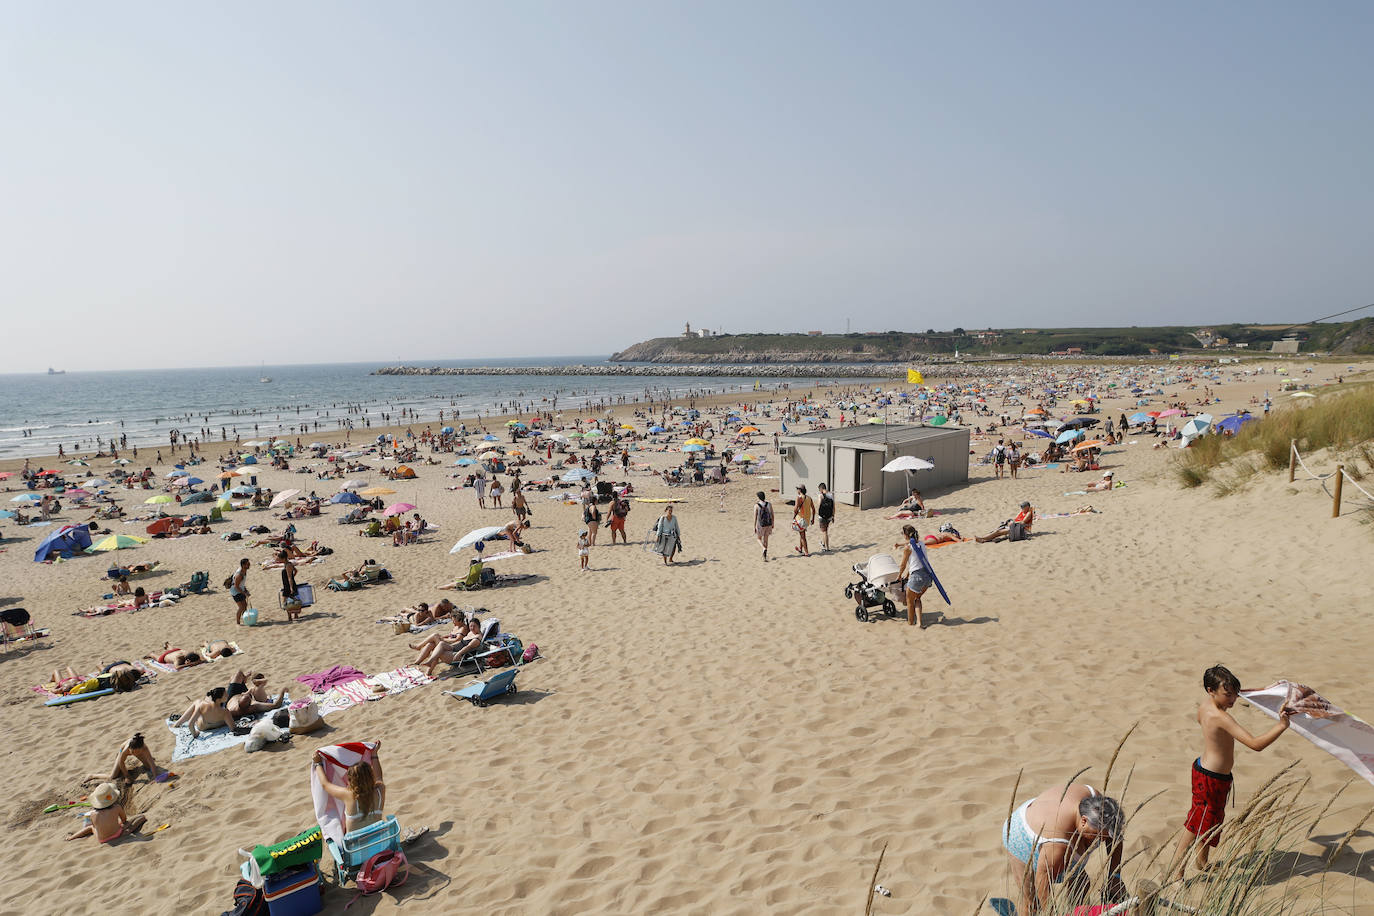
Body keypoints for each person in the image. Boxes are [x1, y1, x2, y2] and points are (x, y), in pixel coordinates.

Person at [1172, 665, 1291, 877]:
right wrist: (1281, 726)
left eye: (1235, 693)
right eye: (1228, 694)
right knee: (1195, 824)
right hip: (1211, 777)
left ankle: (1202, 862)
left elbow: (1230, 696)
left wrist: (1256, 691)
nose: (1233, 699)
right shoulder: (1221, 717)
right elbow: (1255, 744)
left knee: (1209, 822)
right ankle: (1177, 871)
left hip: (1205, 770)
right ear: (1211, 690)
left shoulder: (1205, 706)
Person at [1002, 783, 1126, 915]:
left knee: (1081, 885)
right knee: (1032, 904)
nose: (1101, 840)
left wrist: (1115, 876)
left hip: (1046, 813)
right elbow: (1042, 881)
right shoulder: (1058, 845)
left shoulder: (1100, 805)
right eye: (1097, 835)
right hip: (1021, 834)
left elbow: (1115, 837)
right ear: (1083, 821)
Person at [313, 749, 386, 834]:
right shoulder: (380, 790)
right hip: (378, 841)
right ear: (371, 775)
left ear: (351, 780)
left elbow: (325, 785)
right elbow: (379, 777)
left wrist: (318, 763)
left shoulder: (349, 795)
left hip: (355, 845)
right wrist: (374, 754)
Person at [66, 782, 147, 843]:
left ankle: (72, 837)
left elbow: (96, 826)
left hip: (101, 839)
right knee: (141, 817)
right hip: (117, 834)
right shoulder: (116, 808)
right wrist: (118, 824)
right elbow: (124, 820)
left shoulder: (93, 814)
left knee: (90, 828)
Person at [895, 524, 936, 628]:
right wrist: (908, 575)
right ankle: (919, 622)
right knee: (917, 598)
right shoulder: (921, 543)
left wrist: (899, 575)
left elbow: (903, 565)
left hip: (917, 577)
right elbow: (916, 562)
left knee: (909, 601)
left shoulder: (907, 548)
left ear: (905, 535)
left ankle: (910, 623)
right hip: (927, 576)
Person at [93, 733, 170, 785]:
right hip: (121, 751)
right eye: (133, 752)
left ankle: (144, 757)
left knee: (149, 767)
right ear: (130, 748)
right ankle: (92, 776)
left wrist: (155, 776)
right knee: (113, 776)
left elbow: (152, 764)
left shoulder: (144, 748)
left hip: (140, 752)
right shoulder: (126, 750)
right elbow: (121, 762)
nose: (134, 754)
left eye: (137, 752)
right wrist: (127, 776)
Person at [171, 687, 235, 738]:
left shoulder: (202, 706)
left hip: (203, 727)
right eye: (225, 695)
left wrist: (195, 734)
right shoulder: (225, 712)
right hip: (218, 725)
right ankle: (179, 722)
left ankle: (178, 723)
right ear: (218, 699)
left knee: (197, 701)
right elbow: (233, 728)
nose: (228, 695)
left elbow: (190, 724)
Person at [279, 551, 303, 621]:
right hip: (289, 585)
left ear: (283, 558)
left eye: (280, 558)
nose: (279, 560)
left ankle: (291, 616)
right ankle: (294, 616)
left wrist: (291, 587)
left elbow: (289, 577)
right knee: (291, 601)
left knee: (286, 602)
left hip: (289, 586)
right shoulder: (288, 564)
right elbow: (295, 571)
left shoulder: (288, 565)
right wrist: (292, 578)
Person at [793, 485, 814, 556]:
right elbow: (813, 509)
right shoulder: (809, 498)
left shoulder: (799, 498)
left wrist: (794, 515)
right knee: (801, 533)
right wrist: (813, 519)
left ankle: (806, 552)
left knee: (803, 536)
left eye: (797, 489)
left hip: (800, 519)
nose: (797, 491)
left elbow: (795, 510)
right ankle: (800, 548)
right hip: (807, 519)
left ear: (800, 490)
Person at [229, 557, 251, 626]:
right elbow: (236, 586)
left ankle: (245, 620)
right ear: (243, 565)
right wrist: (244, 592)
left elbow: (241, 584)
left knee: (245, 606)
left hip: (240, 590)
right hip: (235, 592)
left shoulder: (244, 571)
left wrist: (245, 590)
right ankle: (238, 623)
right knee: (241, 607)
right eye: (248, 564)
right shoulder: (239, 574)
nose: (249, 565)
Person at [754, 491, 774, 561]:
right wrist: (773, 523)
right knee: (766, 540)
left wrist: (754, 526)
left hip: (761, 524)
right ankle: (765, 556)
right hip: (768, 523)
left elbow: (755, 517)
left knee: (758, 538)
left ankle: (763, 548)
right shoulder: (769, 504)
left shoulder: (756, 505)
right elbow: (772, 514)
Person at [815, 483, 835, 551]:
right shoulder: (831, 495)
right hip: (829, 515)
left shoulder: (820, 495)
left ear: (821, 489)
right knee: (825, 530)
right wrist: (833, 516)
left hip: (822, 516)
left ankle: (827, 548)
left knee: (824, 532)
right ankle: (823, 544)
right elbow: (833, 507)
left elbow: (819, 505)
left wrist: (817, 514)